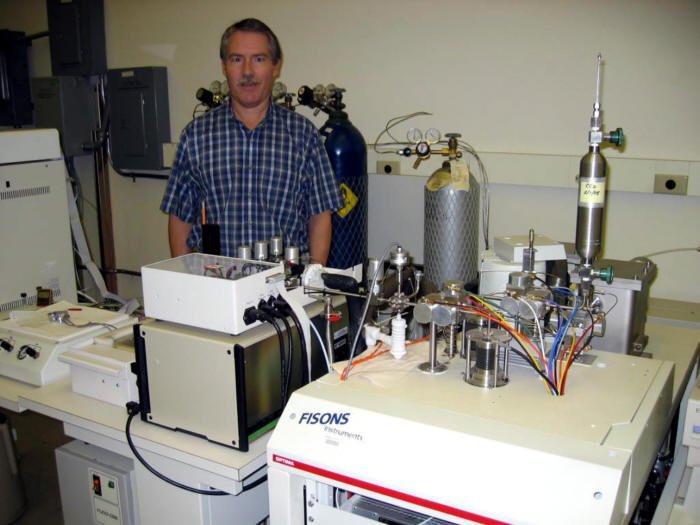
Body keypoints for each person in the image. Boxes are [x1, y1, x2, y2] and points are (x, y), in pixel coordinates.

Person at [160, 18, 343, 265]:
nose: (247, 71)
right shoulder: (196, 137)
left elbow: (320, 215)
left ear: (275, 66)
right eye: (237, 59)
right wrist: (187, 283)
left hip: (284, 288)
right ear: (224, 67)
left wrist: (312, 280)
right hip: (219, 284)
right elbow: (181, 218)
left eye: (259, 59)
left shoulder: (303, 135)